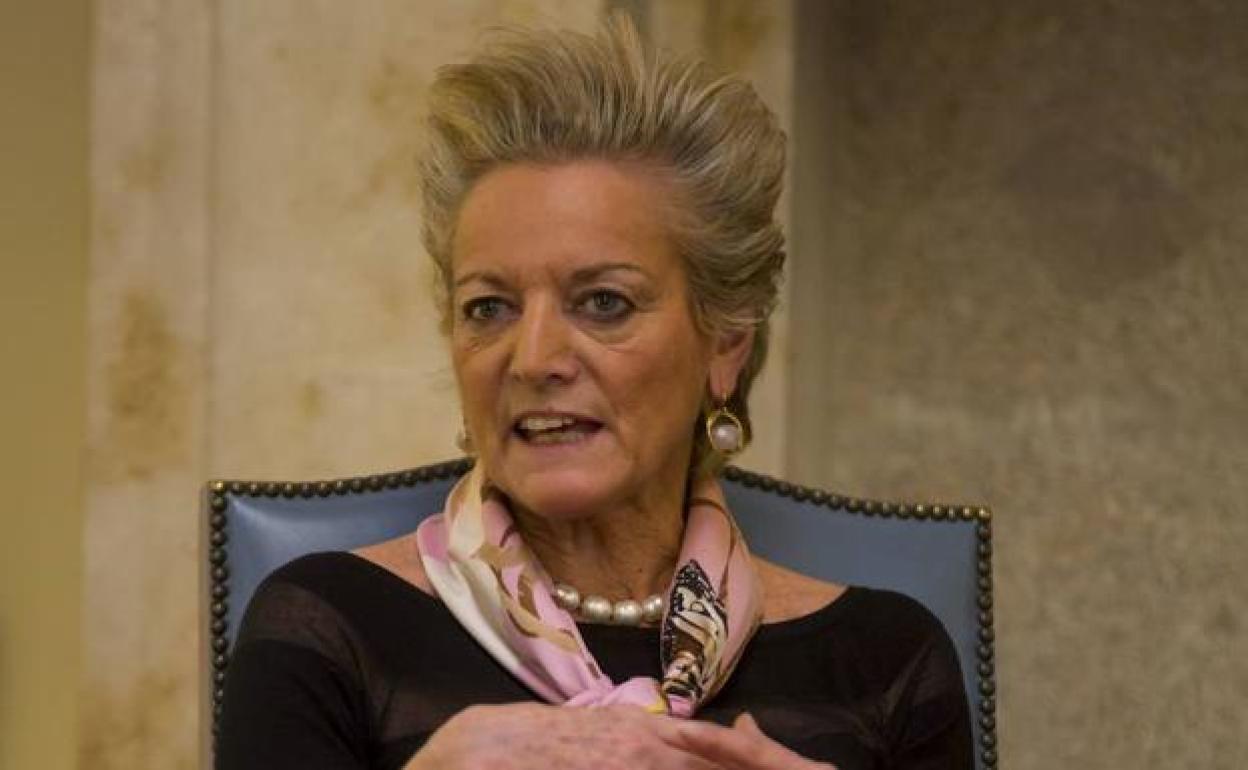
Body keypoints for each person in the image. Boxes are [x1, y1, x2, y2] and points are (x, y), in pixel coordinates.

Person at [216, 17, 972, 770]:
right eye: (489, 307)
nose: (534, 358)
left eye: (603, 302)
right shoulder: (324, 629)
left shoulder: (886, 661)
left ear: (725, 343)